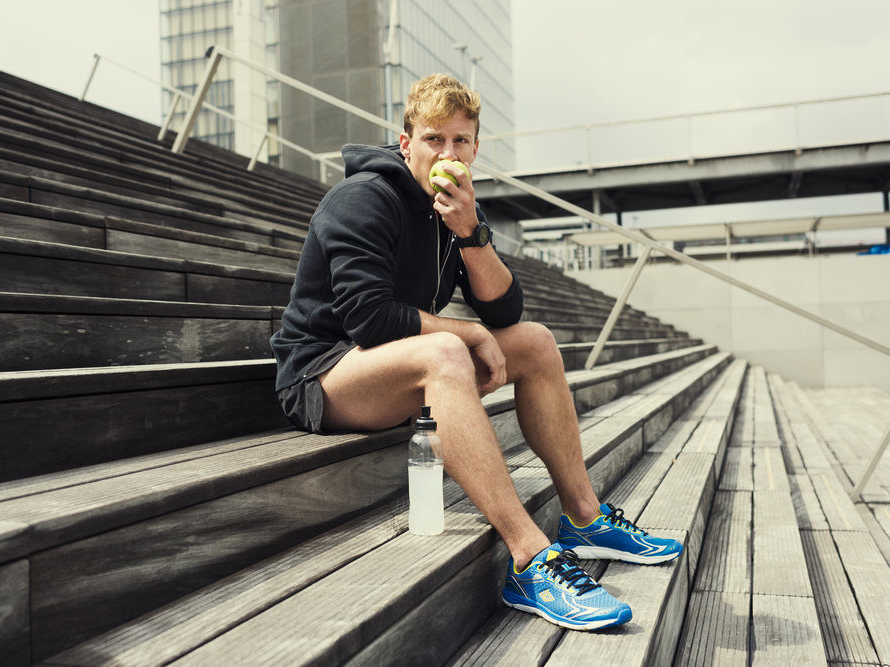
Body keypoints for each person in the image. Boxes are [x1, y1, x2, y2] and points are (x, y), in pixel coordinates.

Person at [269, 73, 682, 631]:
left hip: (391, 364)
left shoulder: (458, 208)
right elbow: (367, 318)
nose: (448, 152)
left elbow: (506, 314)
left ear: (475, 149)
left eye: (460, 141)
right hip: (324, 375)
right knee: (443, 350)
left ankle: (584, 517)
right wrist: (466, 335)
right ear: (406, 141)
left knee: (534, 341)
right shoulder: (361, 199)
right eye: (435, 138)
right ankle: (529, 559)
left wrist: (470, 233)